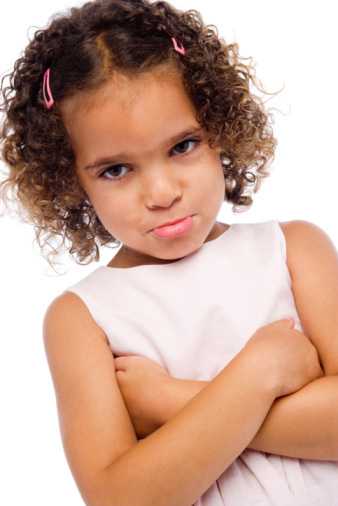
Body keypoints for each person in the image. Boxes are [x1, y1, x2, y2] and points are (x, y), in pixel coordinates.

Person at [1, 1, 338, 505]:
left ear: (219, 127)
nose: (161, 192)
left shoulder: (293, 250)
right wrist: (259, 373)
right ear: (70, 181)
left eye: (182, 146)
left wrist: (169, 401)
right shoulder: (82, 319)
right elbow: (121, 498)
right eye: (116, 170)